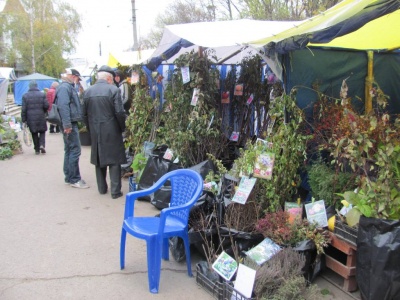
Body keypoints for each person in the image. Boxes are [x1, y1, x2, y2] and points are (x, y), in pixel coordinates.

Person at [82, 65, 126, 199]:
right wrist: (122, 127)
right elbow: (119, 112)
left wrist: (90, 128)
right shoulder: (113, 90)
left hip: (95, 129)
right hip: (111, 128)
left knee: (98, 158)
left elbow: (83, 114)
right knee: (114, 160)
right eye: (112, 79)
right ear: (108, 78)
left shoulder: (88, 91)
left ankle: (102, 188)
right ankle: (115, 191)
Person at [57, 68, 89, 189]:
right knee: (75, 150)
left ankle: (69, 176)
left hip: (68, 122)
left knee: (69, 149)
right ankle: (75, 179)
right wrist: (67, 125)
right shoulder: (65, 88)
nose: (77, 81)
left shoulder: (65, 87)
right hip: (69, 123)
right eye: (77, 78)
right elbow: (63, 106)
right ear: (73, 76)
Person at [21, 80, 49, 155]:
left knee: (34, 132)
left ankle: (37, 149)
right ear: (36, 86)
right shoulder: (42, 94)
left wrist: (23, 119)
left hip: (30, 117)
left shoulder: (25, 96)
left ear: (29, 86)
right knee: (42, 131)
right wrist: (44, 111)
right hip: (41, 115)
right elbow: (46, 105)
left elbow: (23, 109)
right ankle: (42, 145)